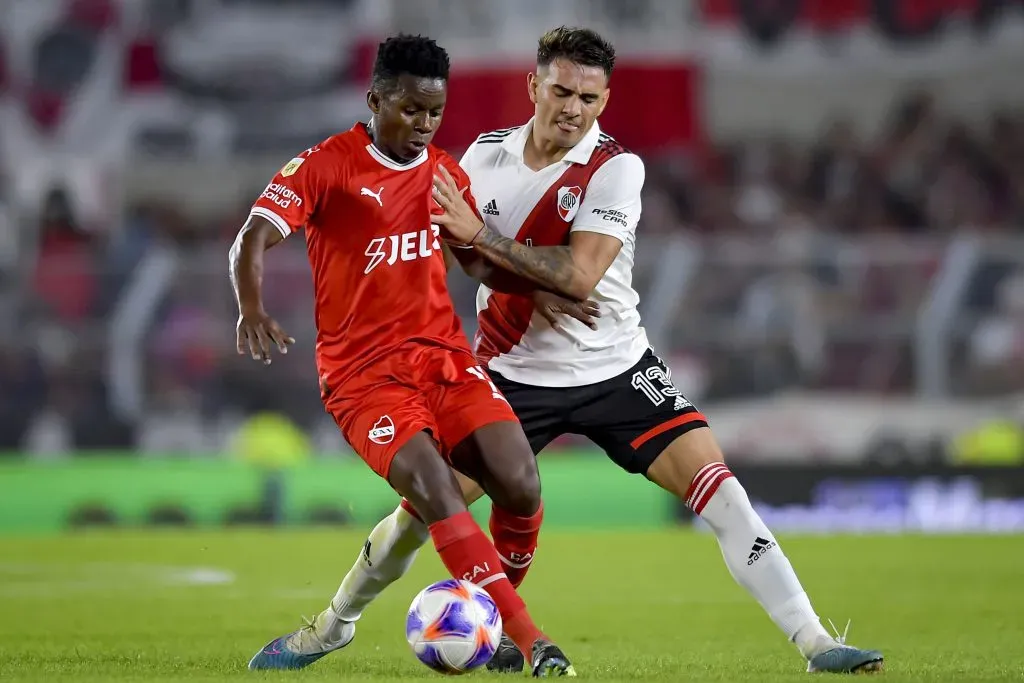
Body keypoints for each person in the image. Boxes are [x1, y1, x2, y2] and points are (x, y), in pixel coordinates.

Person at [255, 26, 884, 676]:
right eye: (561, 92)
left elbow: (579, 276)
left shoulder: (615, 168)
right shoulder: (482, 157)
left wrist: (486, 238)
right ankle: (333, 625)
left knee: (723, 494)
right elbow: (446, 249)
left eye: (589, 98)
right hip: (510, 373)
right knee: (423, 511)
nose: (573, 109)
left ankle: (817, 642)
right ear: (534, 86)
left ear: (604, 101)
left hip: (616, 368)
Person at [231, 34, 575, 678]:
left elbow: (477, 262)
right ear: (375, 100)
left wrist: (537, 286)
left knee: (521, 482)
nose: (423, 125)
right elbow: (252, 236)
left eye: (434, 112)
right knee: (437, 492)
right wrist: (251, 307)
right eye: (411, 109)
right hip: (364, 379)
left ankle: (363, 624)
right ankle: (531, 642)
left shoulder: (444, 173)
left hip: (444, 360)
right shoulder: (326, 167)